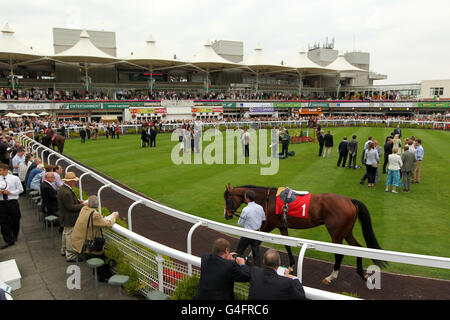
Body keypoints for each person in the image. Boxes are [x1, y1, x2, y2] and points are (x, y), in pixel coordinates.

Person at [70, 195, 118, 281]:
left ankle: (99, 273)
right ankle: (102, 277)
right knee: (103, 255)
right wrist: (114, 217)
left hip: (76, 241)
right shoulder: (94, 215)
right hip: (84, 245)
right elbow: (108, 224)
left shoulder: (83, 209)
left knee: (101, 252)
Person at [57, 172, 87, 262]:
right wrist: (83, 205)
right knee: (70, 235)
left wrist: (78, 201)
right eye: (74, 181)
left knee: (65, 233)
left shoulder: (63, 188)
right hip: (69, 217)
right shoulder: (66, 192)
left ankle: (64, 250)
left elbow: (70, 202)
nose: (75, 182)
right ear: (70, 181)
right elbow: (71, 207)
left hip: (65, 216)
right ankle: (70, 256)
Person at [236, 190, 266, 267]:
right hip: (256, 233)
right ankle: (258, 271)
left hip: (247, 234)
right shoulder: (260, 207)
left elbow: (240, 223)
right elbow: (263, 219)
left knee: (238, 252)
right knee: (256, 254)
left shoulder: (245, 209)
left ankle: (235, 267)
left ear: (247, 198)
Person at [0, 163, 23, 249]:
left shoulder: (14, 178)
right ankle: (8, 239)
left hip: (12, 201)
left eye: (0, 170)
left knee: (15, 219)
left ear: (5, 170)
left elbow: (20, 190)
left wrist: (11, 193)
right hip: (1, 202)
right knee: (3, 222)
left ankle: (15, 234)